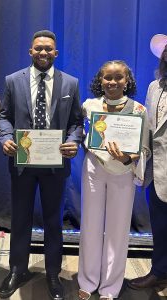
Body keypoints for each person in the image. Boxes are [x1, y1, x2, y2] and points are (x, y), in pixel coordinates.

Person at [0, 30, 83, 300]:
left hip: (55, 164)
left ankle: (52, 274)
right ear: (30, 51)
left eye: (48, 49)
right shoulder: (13, 80)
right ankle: (17, 270)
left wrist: (73, 141)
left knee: (53, 221)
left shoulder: (70, 83)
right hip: (22, 163)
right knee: (20, 219)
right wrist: (6, 137)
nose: (43, 52)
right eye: (38, 48)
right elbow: (3, 116)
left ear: (55, 53)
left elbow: (77, 122)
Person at [77, 60, 150, 300]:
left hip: (123, 171)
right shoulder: (89, 106)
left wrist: (130, 158)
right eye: (107, 77)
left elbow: (144, 148)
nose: (113, 82)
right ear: (100, 80)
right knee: (90, 226)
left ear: (127, 81)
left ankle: (110, 287)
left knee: (118, 231)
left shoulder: (138, 110)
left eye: (119, 77)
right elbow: (78, 132)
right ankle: (87, 282)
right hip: (94, 168)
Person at [128, 34, 167, 290]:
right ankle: (160, 271)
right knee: (161, 226)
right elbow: (148, 127)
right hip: (157, 172)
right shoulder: (155, 86)